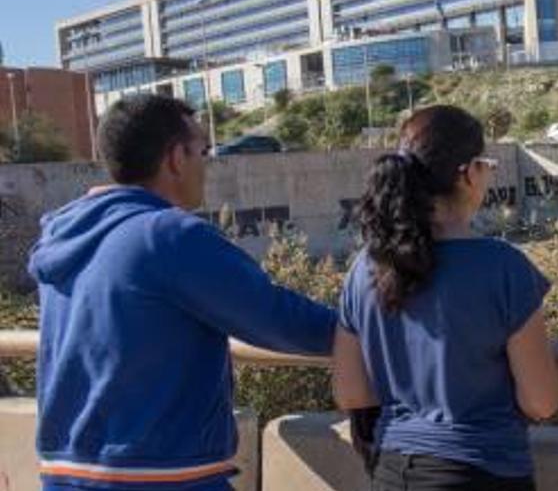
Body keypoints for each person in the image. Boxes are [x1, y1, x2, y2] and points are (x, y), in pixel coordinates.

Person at [27, 94, 337, 490]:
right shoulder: (167, 235)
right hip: (159, 474)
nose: (207, 165)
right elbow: (276, 316)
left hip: (64, 473)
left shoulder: (65, 233)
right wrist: (365, 330)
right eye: (203, 151)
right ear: (175, 158)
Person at [331, 105, 558, 491]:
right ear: (468, 172)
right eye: (487, 164)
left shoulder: (365, 268)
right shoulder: (503, 267)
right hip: (479, 471)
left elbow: (350, 392)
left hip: (389, 472)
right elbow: (541, 401)